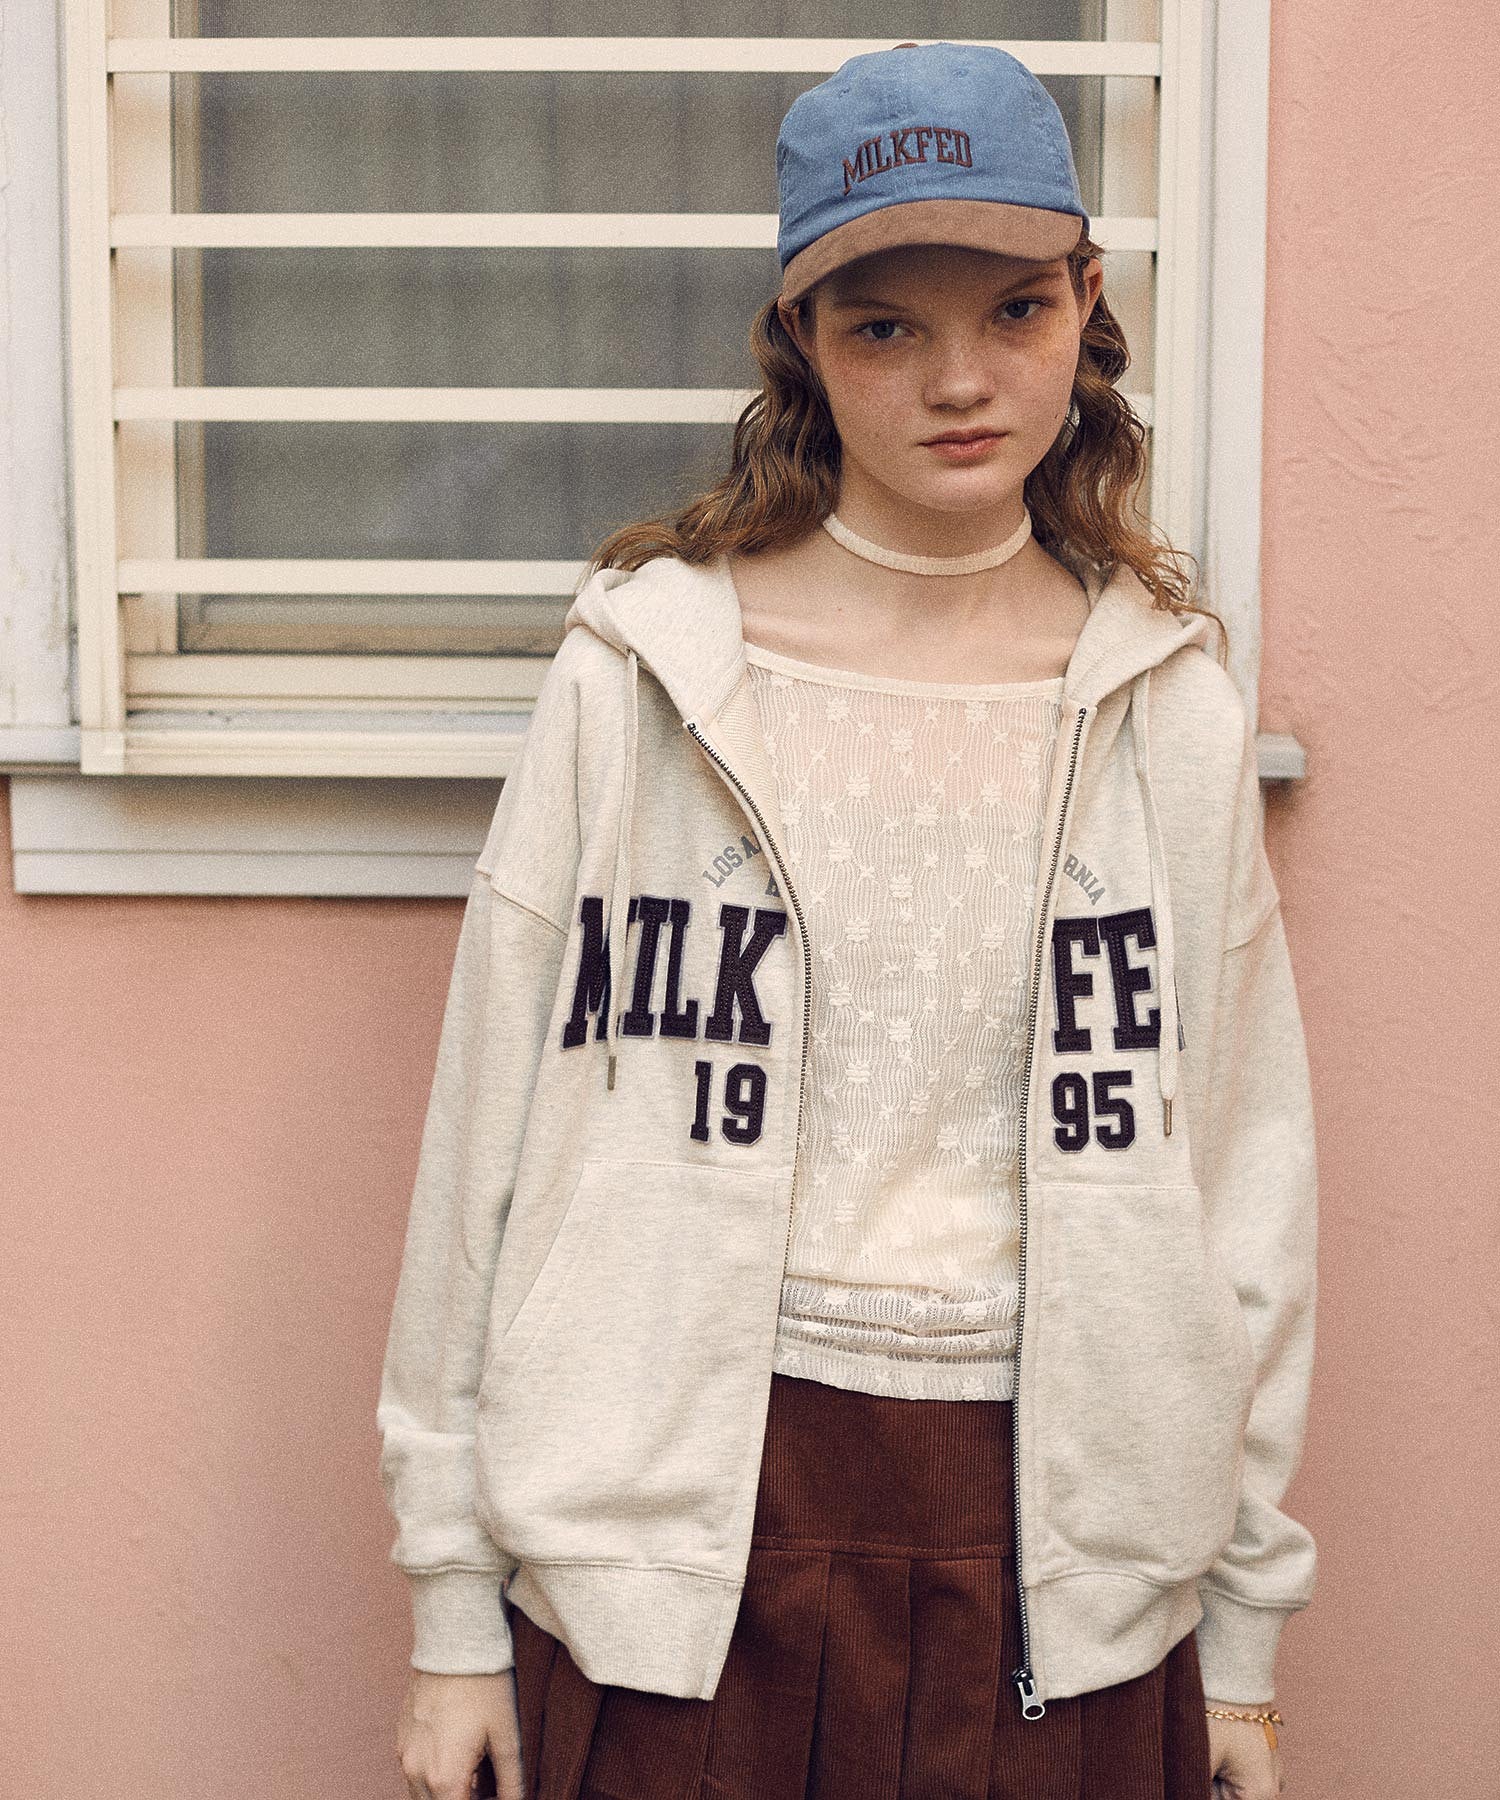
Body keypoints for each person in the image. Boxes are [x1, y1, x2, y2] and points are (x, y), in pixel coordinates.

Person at [379, 40, 1317, 1800]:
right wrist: (451, 1610)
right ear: (801, 341)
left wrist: (1245, 1651)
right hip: (680, 1542)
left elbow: (1245, 1187)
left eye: (1014, 311)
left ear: (1087, 304)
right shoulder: (647, 680)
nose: (960, 380)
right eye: (886, 326)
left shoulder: (1167, 710)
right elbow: (484, 1134)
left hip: (1066, 1556)